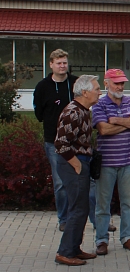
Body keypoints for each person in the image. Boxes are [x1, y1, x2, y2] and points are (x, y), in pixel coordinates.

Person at [92, 69, 130, 255]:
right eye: (116, 83)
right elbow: (103, 129)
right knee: (103, 204)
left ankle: (128, 237)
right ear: (106, 83)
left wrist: (116, 120)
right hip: (106, 161)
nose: (120, 86)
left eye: (122, 83)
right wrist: (126, 121)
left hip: (129, 160)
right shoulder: (99, 104)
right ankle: (101, 240)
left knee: (128, 203)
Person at [53, 75, 101, 266]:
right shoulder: (73, 112)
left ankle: (74, 248)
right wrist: (77, 164)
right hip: (74, 162)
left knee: (81, 207)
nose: (100, 91)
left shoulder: (83, 111)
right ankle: (65, 252)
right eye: (97, 88)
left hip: (80, 161)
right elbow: (61, 143)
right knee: (78, 208)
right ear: (85, 92)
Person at [34, 49, 78, 231]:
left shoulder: (75, 83)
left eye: (65, 63)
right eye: (59, 63)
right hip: (54, 142)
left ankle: (95, 218)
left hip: (76, 140)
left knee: (85, 180)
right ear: (51, 64)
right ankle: (64, 219)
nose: (62, 66)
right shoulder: (42, 87)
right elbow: (39, 113)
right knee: (60, 182)